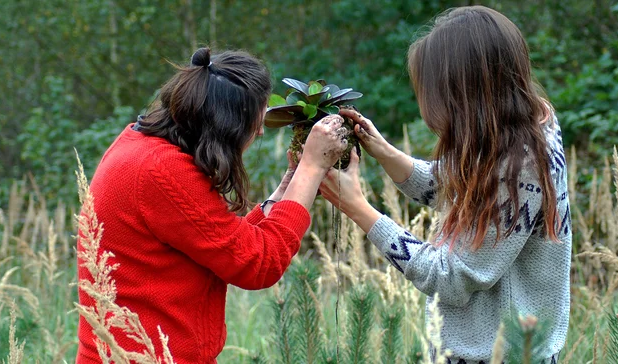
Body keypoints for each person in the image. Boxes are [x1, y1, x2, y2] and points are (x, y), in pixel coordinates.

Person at [320, 6, 571, 363]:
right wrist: (386, 152)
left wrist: (359, 209)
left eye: (432, 93)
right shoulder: (526, 127)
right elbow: (454, 186)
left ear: (463, 95)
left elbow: (450, 277)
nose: (427, 108)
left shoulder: (523, 167)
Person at [76, 47, 350, 363]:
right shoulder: (160, 171)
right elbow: (259, 264)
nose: (260, 131)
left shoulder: (142, 151)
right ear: (227, 125)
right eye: (255, 122)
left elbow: (224, 244)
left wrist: (289, 185)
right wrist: (312, 168)